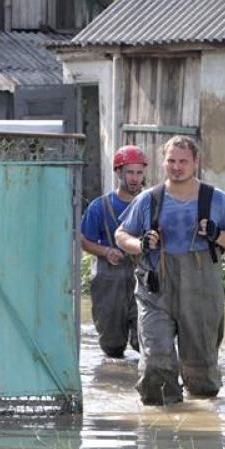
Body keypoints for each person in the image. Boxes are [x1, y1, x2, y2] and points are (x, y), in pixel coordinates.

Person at [116, 136, 225, 405]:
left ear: (195, 163)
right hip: (155, 292)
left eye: (183, 161)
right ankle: (161, 431)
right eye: (171, 161)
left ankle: (199, 433)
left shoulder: (216, 200)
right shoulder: (148, 200)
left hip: (200, 292)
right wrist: (140, 243)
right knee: (156, 362)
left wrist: (217, 234)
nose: (177, 167)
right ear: (163, 163)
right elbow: (121, 235)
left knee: (202, 375)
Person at [80, 145, 147, 358]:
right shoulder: (99, 206)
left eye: (139, 172)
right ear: (118, 172)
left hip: (143, 278)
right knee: (112, 347)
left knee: (146, 341)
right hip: (109, 280)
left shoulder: (151, 203)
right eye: (130, 172)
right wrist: (106, 251)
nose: (135, 178)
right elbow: (84, 240)